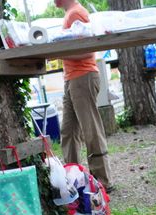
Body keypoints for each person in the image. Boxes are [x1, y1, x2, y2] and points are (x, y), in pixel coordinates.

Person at [54, 0, 113, 192]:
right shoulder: (71, 14)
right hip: (72, 79)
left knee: (90, 129)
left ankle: (103, 180)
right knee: (68, 131)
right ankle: (72, 177)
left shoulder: (76, 14)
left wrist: (59, 51)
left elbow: (88, 49)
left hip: (83, 76)